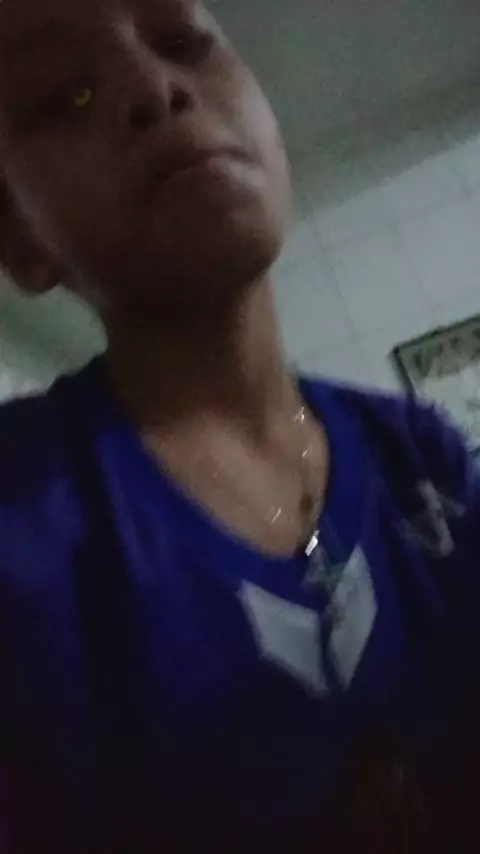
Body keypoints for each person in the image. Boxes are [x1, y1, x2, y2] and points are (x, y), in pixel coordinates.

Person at [0, 0, 479, 852]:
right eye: (66, 96)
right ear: (21, 242)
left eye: (184, 42)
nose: (154, 87)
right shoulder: (19, 515)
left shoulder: (425, 458)